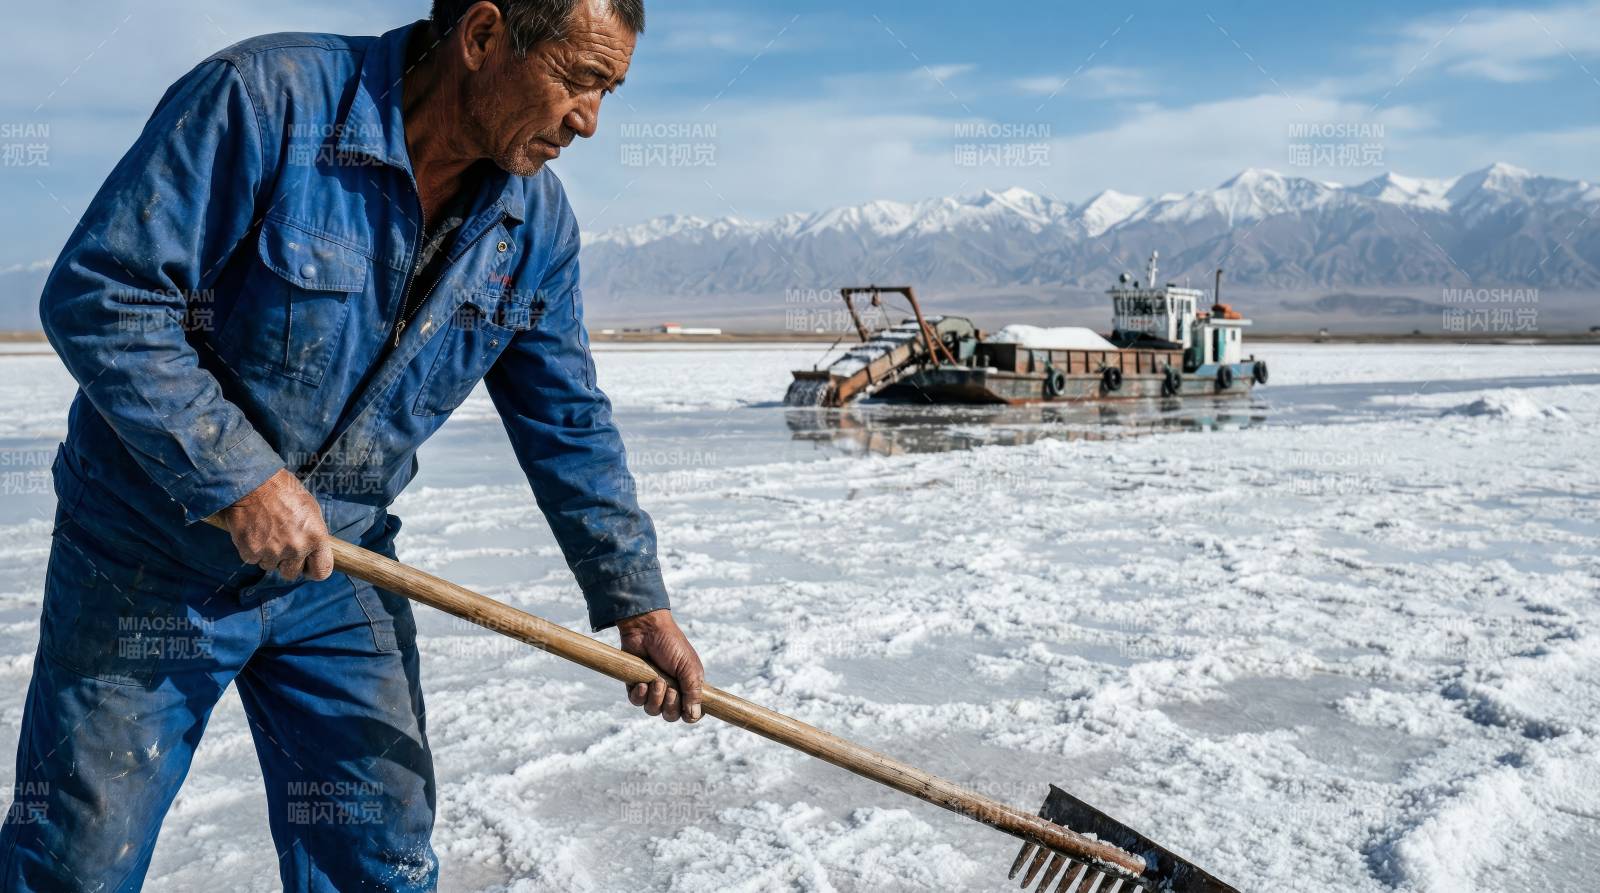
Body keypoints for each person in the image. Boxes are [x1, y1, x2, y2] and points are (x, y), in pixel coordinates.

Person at [0, 2, 702, 889]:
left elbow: (568, 423)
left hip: (338, 567)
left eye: (609, 91)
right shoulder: (266, 102)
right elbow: (104, 294)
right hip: (150, 554)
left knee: (380, 853)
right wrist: (237, 477)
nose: (590, 120)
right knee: (76, 858)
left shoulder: (535, 231)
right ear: (484, 38)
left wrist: (636, 601)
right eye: (579, 79)